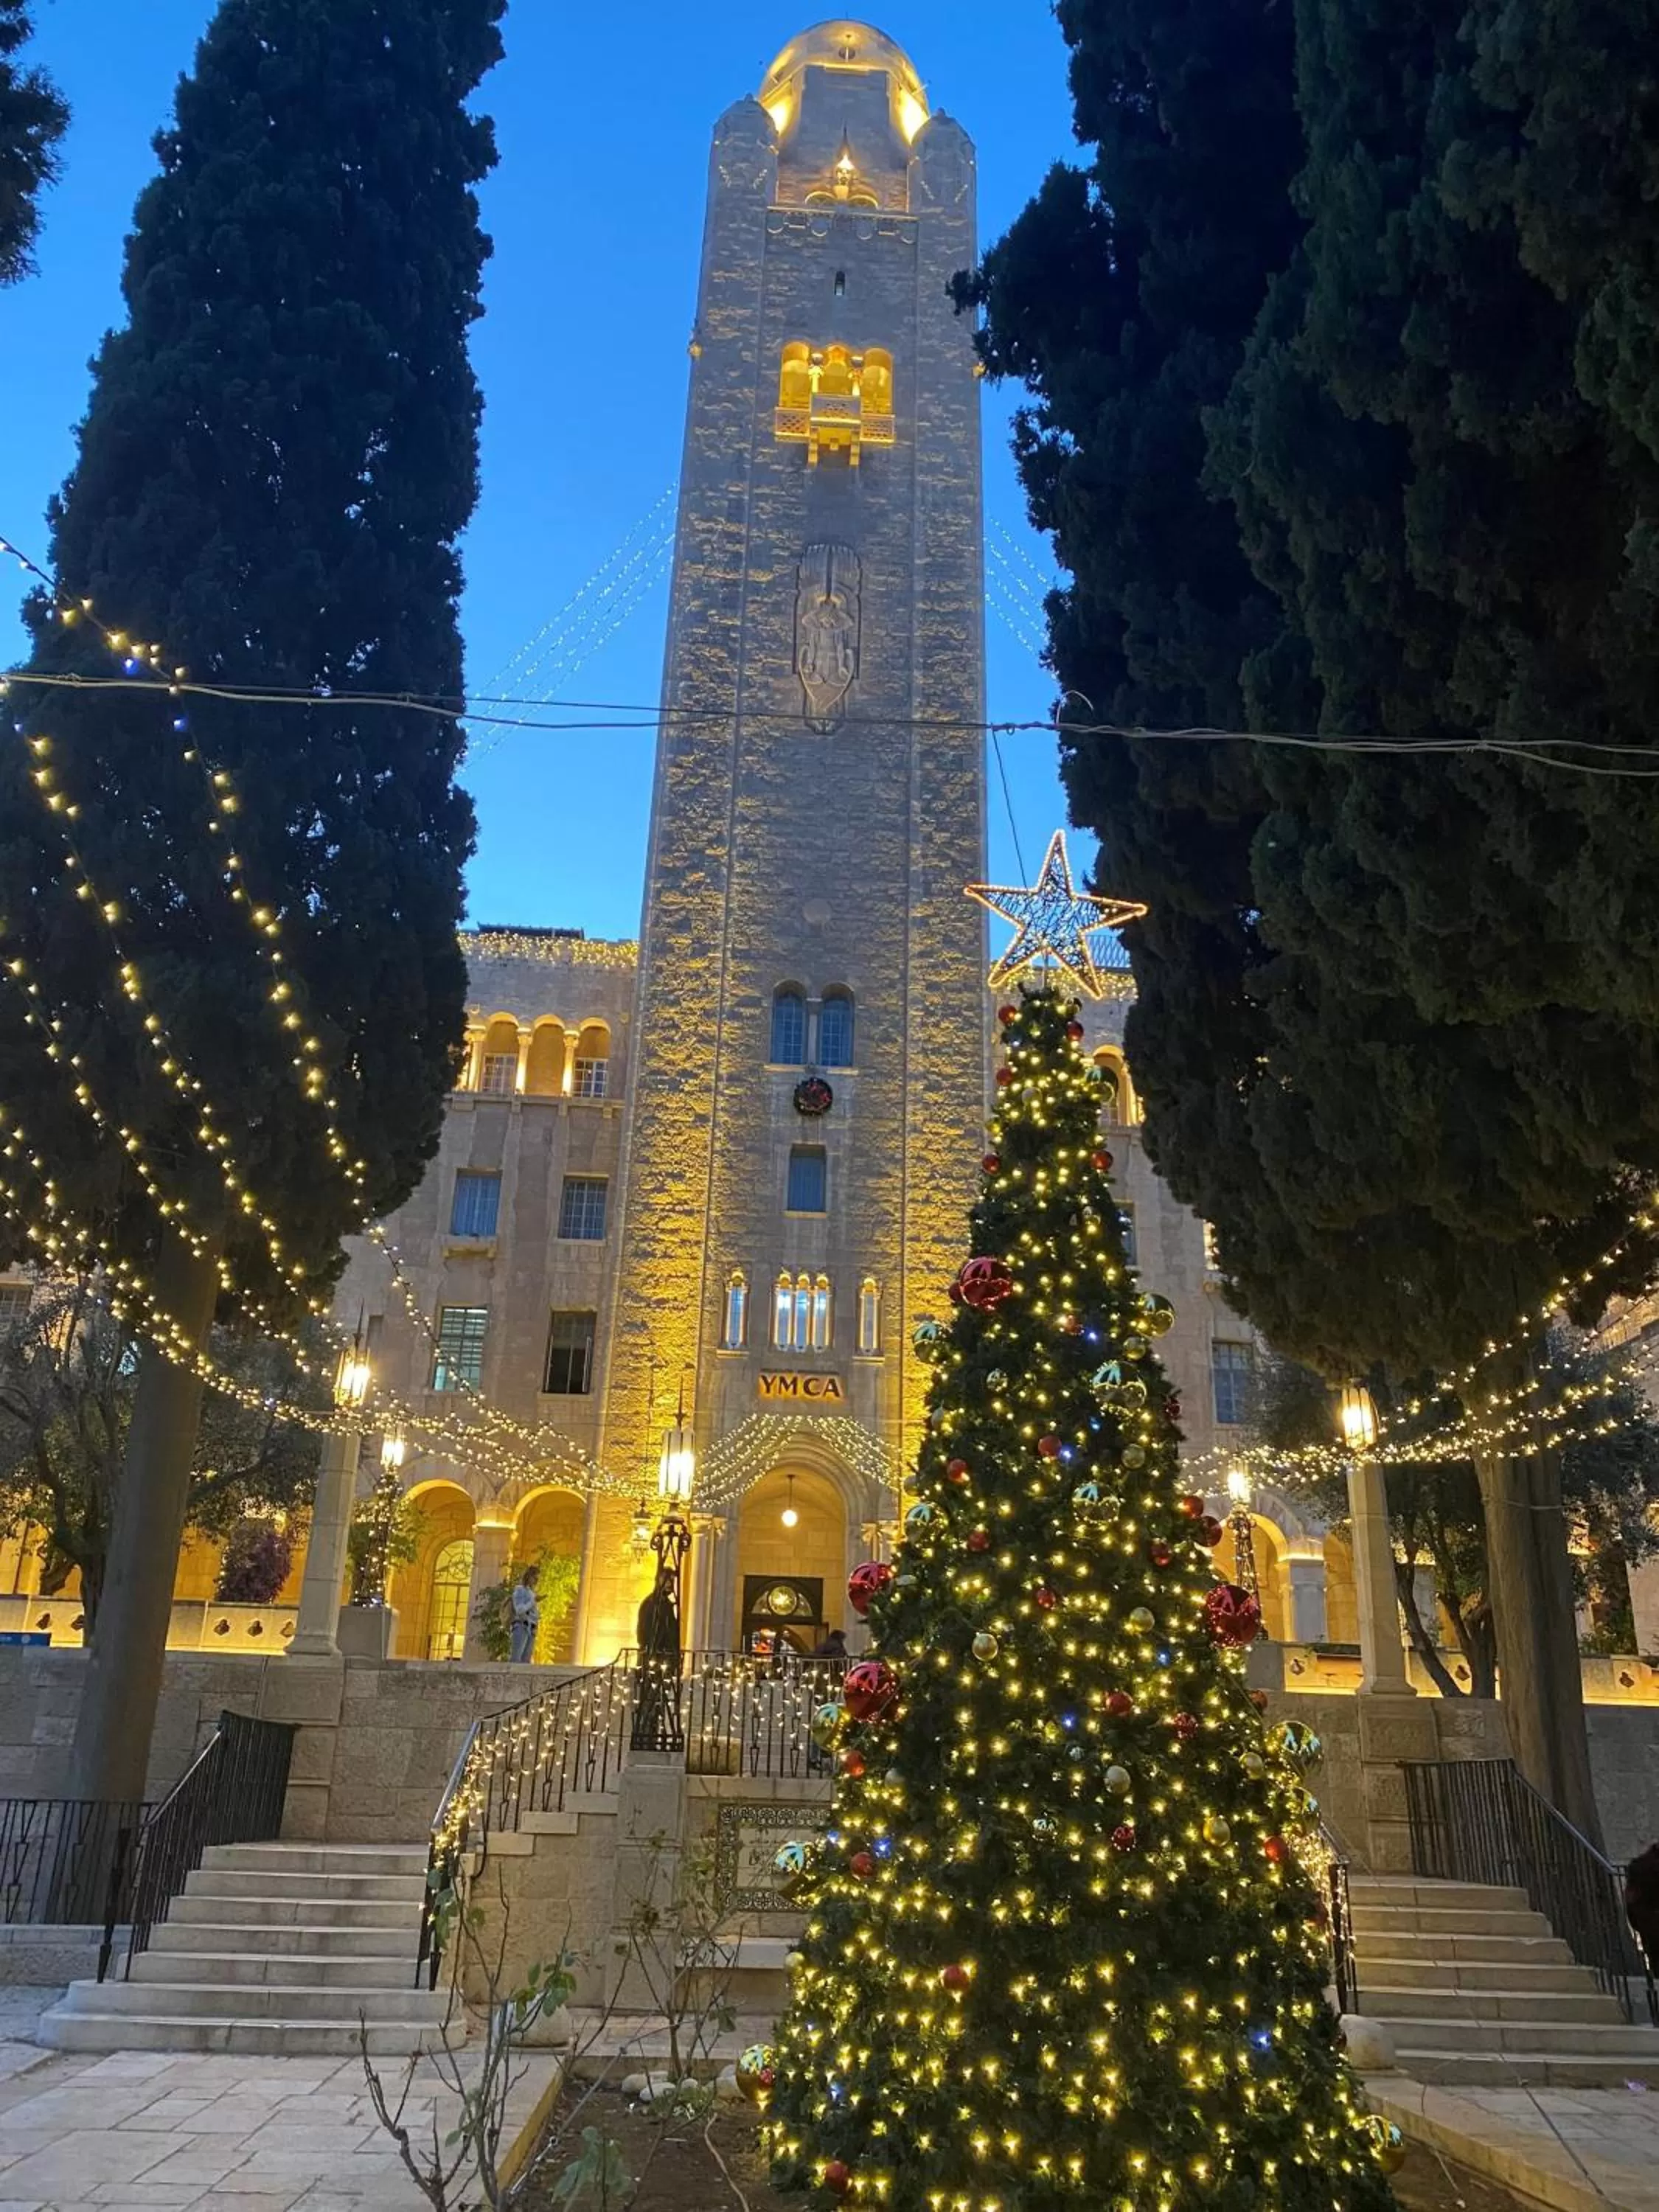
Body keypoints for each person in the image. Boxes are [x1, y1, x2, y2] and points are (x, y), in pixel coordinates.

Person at [1626, 1842, 1659, 1979]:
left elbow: (1631, 1899)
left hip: (1648, 1924)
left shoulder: (1638, 1866)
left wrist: (1638, 1923)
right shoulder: (1641, 1867)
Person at [508, 1565, 540, 1663]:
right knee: (516, 1658)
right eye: (534, 1578)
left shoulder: (531, 1592)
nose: (536, 1581)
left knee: (526, 1661)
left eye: (538, 1578)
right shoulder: (520, 1589)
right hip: (521, 1626)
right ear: (529, 1576)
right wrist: (533, 1601)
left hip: (531, 1628)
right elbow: (519, 1609)